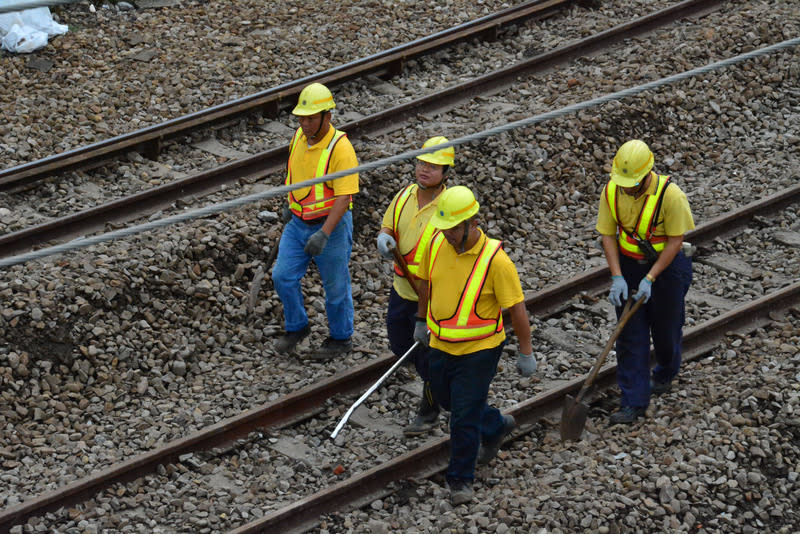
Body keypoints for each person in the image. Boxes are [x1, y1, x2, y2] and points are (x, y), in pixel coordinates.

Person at [414, 185, 537, 505]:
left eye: (453, 229)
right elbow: (425, 283)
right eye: (444, 229)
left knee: (463, 417)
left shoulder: (497, 262)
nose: (448, 235)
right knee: (448, 401)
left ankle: (461, 480)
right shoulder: (437, 244)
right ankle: (495, 425)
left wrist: (526, 352)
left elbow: (517, 309)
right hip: (441, 345)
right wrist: (419, 320)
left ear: (472, 222)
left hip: (479, 351)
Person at [596, 139, 694, 424]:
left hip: (667, 267)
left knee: (666, 328)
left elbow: (676, 240)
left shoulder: (671, 196)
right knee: (629, 334)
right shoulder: (611, 192)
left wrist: (651, 278)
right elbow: (608, 234)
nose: (626, 187)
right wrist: (616, 276)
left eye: (631, 182)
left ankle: (665, 370)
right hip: (628, 265)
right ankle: (633, 400)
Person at [272, 83, 360, 360]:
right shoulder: (299, 136)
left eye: (310, 118)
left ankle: (341, 337)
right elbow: (296, 175)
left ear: (327, 116)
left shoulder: (341, 149)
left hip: (330, 228)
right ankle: (298, 327)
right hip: (298, 223)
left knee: (335, 287)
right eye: (301, 117)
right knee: (282, 277)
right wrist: (291, 205)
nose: (304, 123)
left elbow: (344, 198)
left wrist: (324, 233)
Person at [377, 136, 453, 436]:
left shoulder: (447, 208)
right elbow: (388, 224)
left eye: (433, 167)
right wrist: (384, 237)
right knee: (399, 343)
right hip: (402, 288)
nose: (425, 170)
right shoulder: (406, 195)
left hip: (430, 297)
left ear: (446, 173)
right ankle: (439, 383)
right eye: (422, 163)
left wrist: (423, 318)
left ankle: (431, 408)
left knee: (426, 354)